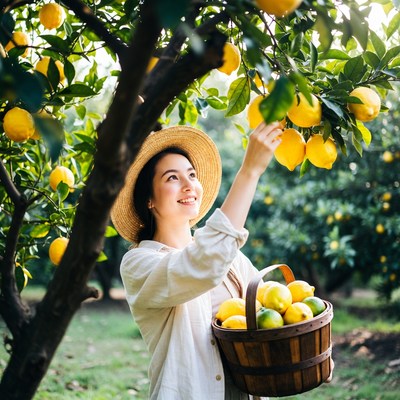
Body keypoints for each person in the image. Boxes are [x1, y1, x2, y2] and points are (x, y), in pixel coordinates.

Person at [111, 122, 283, 399]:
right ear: (149, 200)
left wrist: (311, 352)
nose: (190, 185)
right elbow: (201, 265)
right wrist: (249, 172)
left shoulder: (231, 259)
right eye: (172, 178)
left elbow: (272, 309)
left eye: (192, 174)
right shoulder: (138, 264)